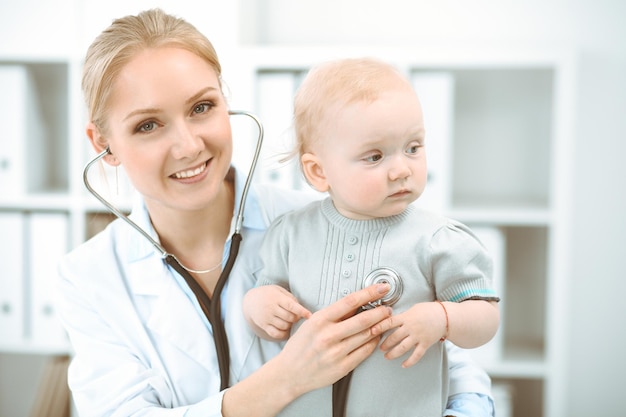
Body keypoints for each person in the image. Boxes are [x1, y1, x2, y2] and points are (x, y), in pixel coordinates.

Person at [54, 8, 495, 417]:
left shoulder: (331, 218)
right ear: (102, 144)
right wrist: (285, 380)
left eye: (202, 107)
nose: (189, 145)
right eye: (148, 125)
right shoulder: (89, 278)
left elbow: (446, 358)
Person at [243, 58, 500, 416]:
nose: (401, 169)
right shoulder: (290, 234)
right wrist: (259, 304)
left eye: (413, 147)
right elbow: (269, 315)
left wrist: (442, 318)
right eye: (375, 156)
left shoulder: (439, 240)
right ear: (319, 172)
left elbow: (485, 318)